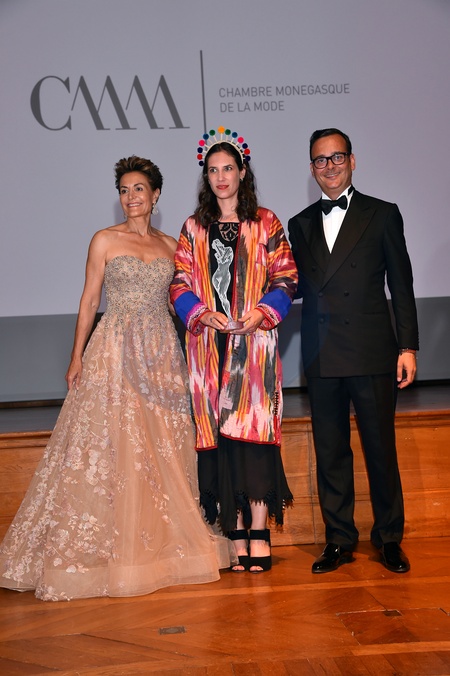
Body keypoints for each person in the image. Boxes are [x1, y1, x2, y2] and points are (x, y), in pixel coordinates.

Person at [0, 155, 230, 601]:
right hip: (114, 350)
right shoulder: (104, 240)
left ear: (155, 195)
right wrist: (76, 357)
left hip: (161, 354)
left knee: (162, 445)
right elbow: (89, 301)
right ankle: (110, 548)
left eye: (138, 189)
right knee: (114, 443)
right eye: (124, 190)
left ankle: (158, 546)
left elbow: (185, 301)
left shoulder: (172, 245)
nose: (130, 197)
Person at [288, 128, 419, 574]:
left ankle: (389, 538)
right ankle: (339, 539)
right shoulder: (299, 223)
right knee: (331, 452)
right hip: (321, 354)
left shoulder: (382, 214)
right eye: (320, 160)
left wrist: (408, 346)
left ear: (352, 160)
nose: (329, 166)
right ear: (311, 168)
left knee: (380, 450)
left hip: (371, 351)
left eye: (337, 157)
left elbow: (401, 285)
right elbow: (295, 285)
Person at [170, 126, 298, 573]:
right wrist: (202, 314)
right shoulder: (193, 227)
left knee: (254, 437)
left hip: (253, 345)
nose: (221, 177)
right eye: (213, 170)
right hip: (210, 347)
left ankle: (259, 530)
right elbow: (179, 282)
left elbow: (287, 277)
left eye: (228, 168)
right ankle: (235, 529)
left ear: (243, 172)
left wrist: (261, 314)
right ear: (205, 176)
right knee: (222, 442)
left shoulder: (266, 221)